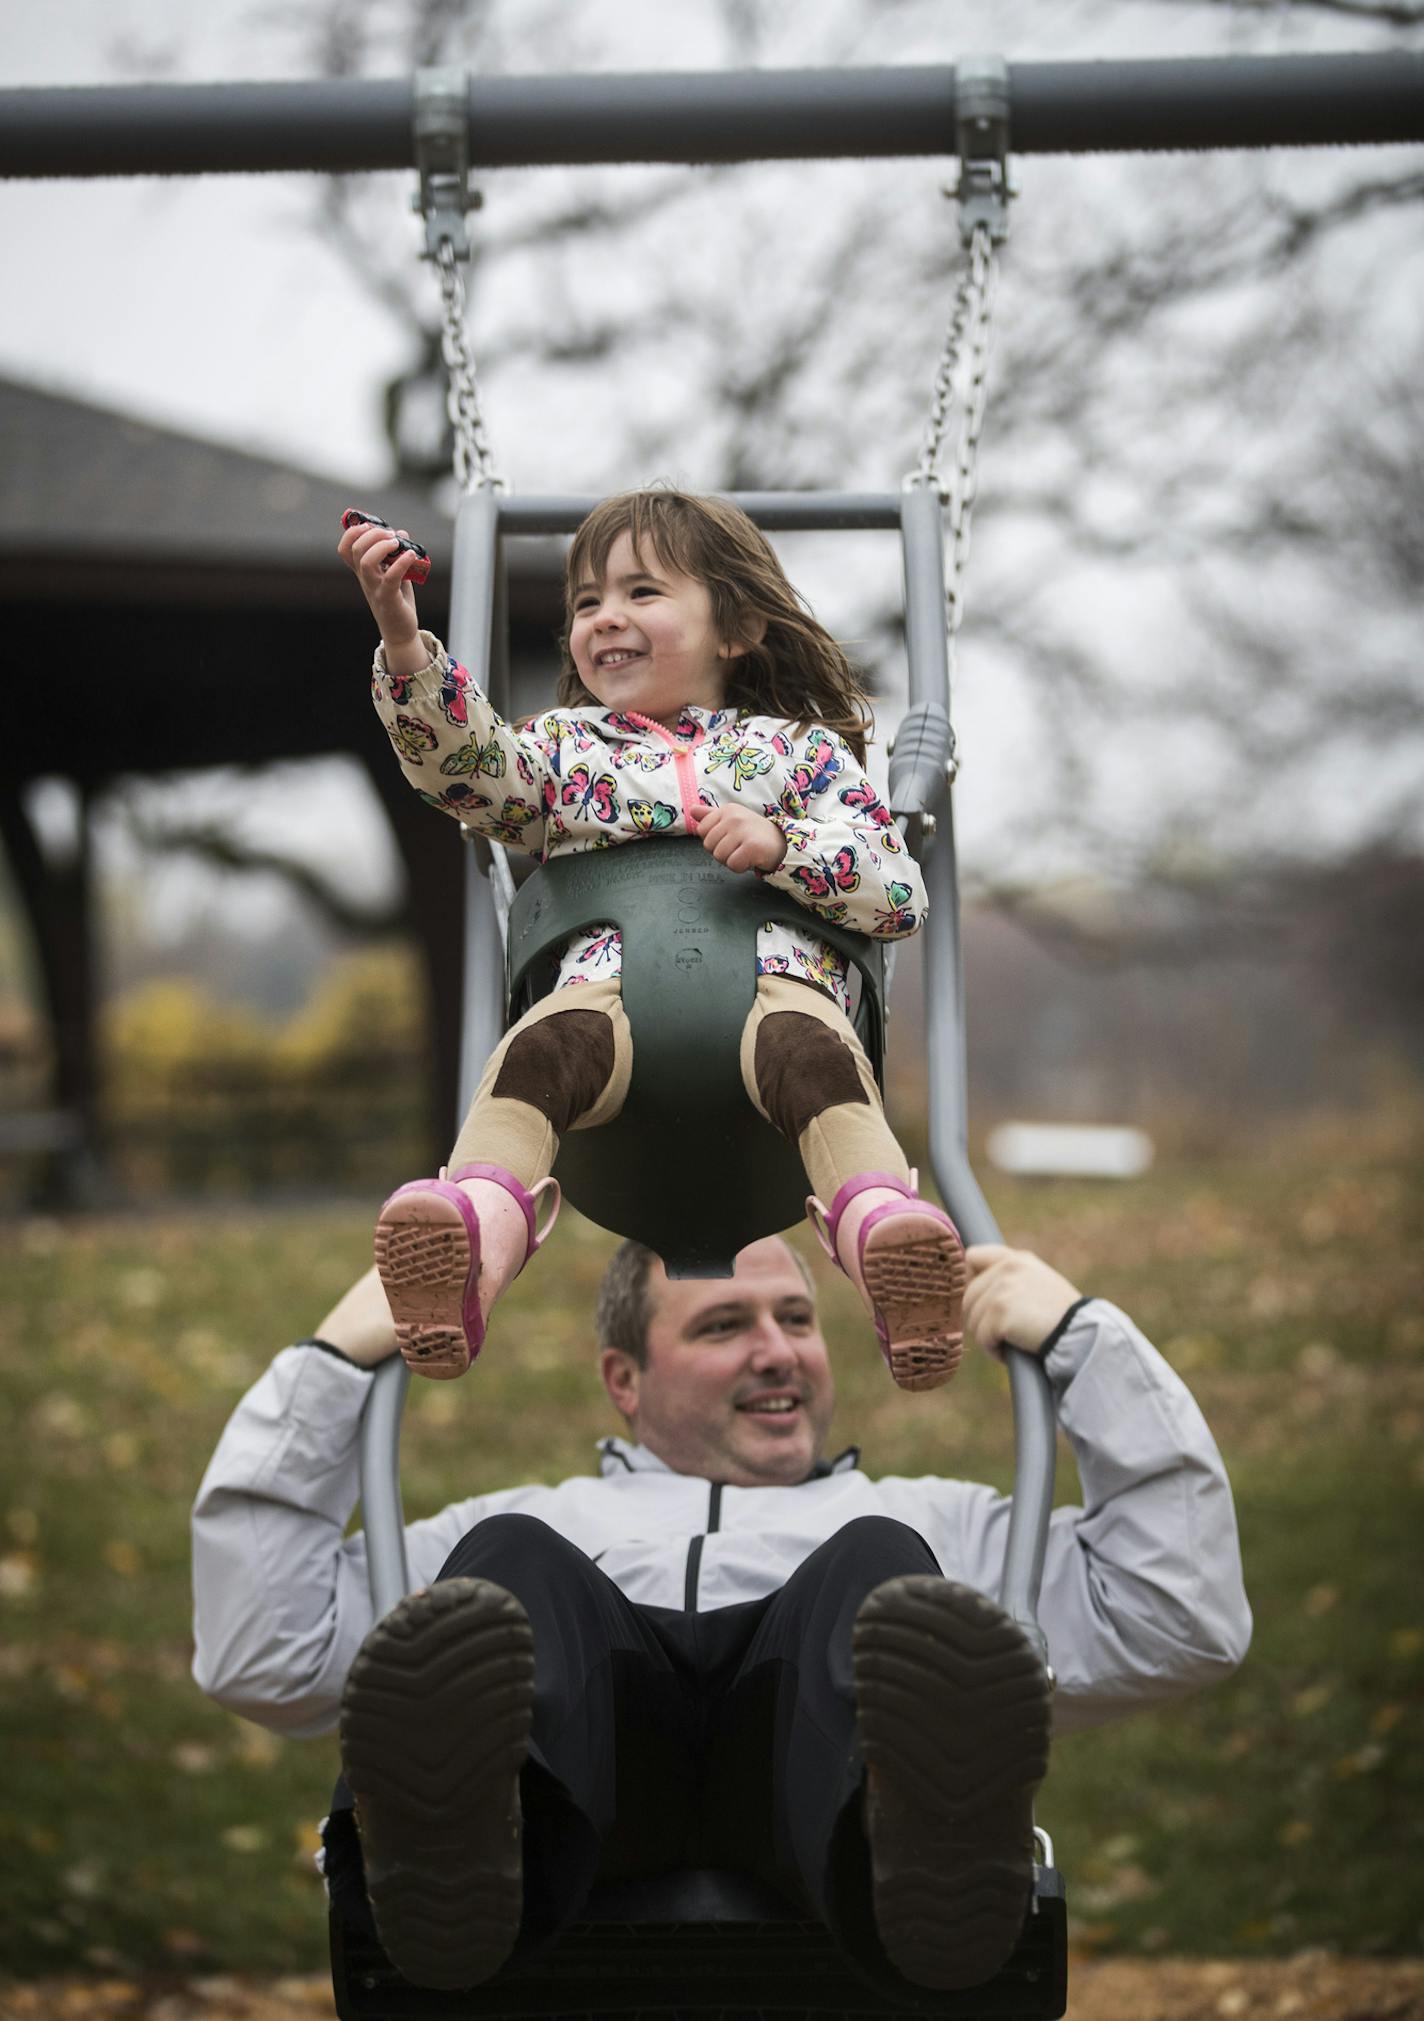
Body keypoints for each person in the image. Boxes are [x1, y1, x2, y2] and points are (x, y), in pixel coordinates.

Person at [190, 1233, 1252, 1997]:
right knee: (500, 1574)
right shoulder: (519, 1529)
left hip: (808, 1784)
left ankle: (920, 1858)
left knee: (882, 1573)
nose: (777, 1349)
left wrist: (1080, 1341)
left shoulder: (937, 1528)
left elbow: (1177, 1616)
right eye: (722, 1324)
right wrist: (335, 1359)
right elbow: (263, 1647)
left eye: (795, 1318)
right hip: (585, 1793)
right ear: (624, 1378)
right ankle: (462, 1860)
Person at [339, 487, 966, 1394]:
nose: (606, 619)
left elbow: (897, 888)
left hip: (775, 994)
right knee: (537, 1053)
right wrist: (403, 640)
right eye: (587, 602)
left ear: (738, 625)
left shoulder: (802, 755)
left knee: (816, 1057)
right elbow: (467, 774)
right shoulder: (557, 753)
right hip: (604, 1004)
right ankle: (468, 1244)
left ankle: (885, 1241)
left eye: (642, 592)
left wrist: (784, 844)